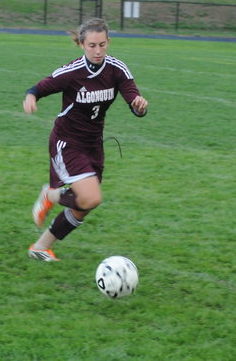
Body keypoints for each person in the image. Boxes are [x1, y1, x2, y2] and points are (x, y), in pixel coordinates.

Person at [22, 17, 148, 262]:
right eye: (92, 45)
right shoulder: (72, 72)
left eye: (102, 44)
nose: (97, 51)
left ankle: (41, 247)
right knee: (91, 197)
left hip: (94, 144)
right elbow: (39, 87)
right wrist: (31, 97)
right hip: (67, 142)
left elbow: (133, 99)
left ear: (108, 42)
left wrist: (139, 106)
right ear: (81, 45)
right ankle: (51, 195)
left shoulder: (117, 69)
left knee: (84, 206)